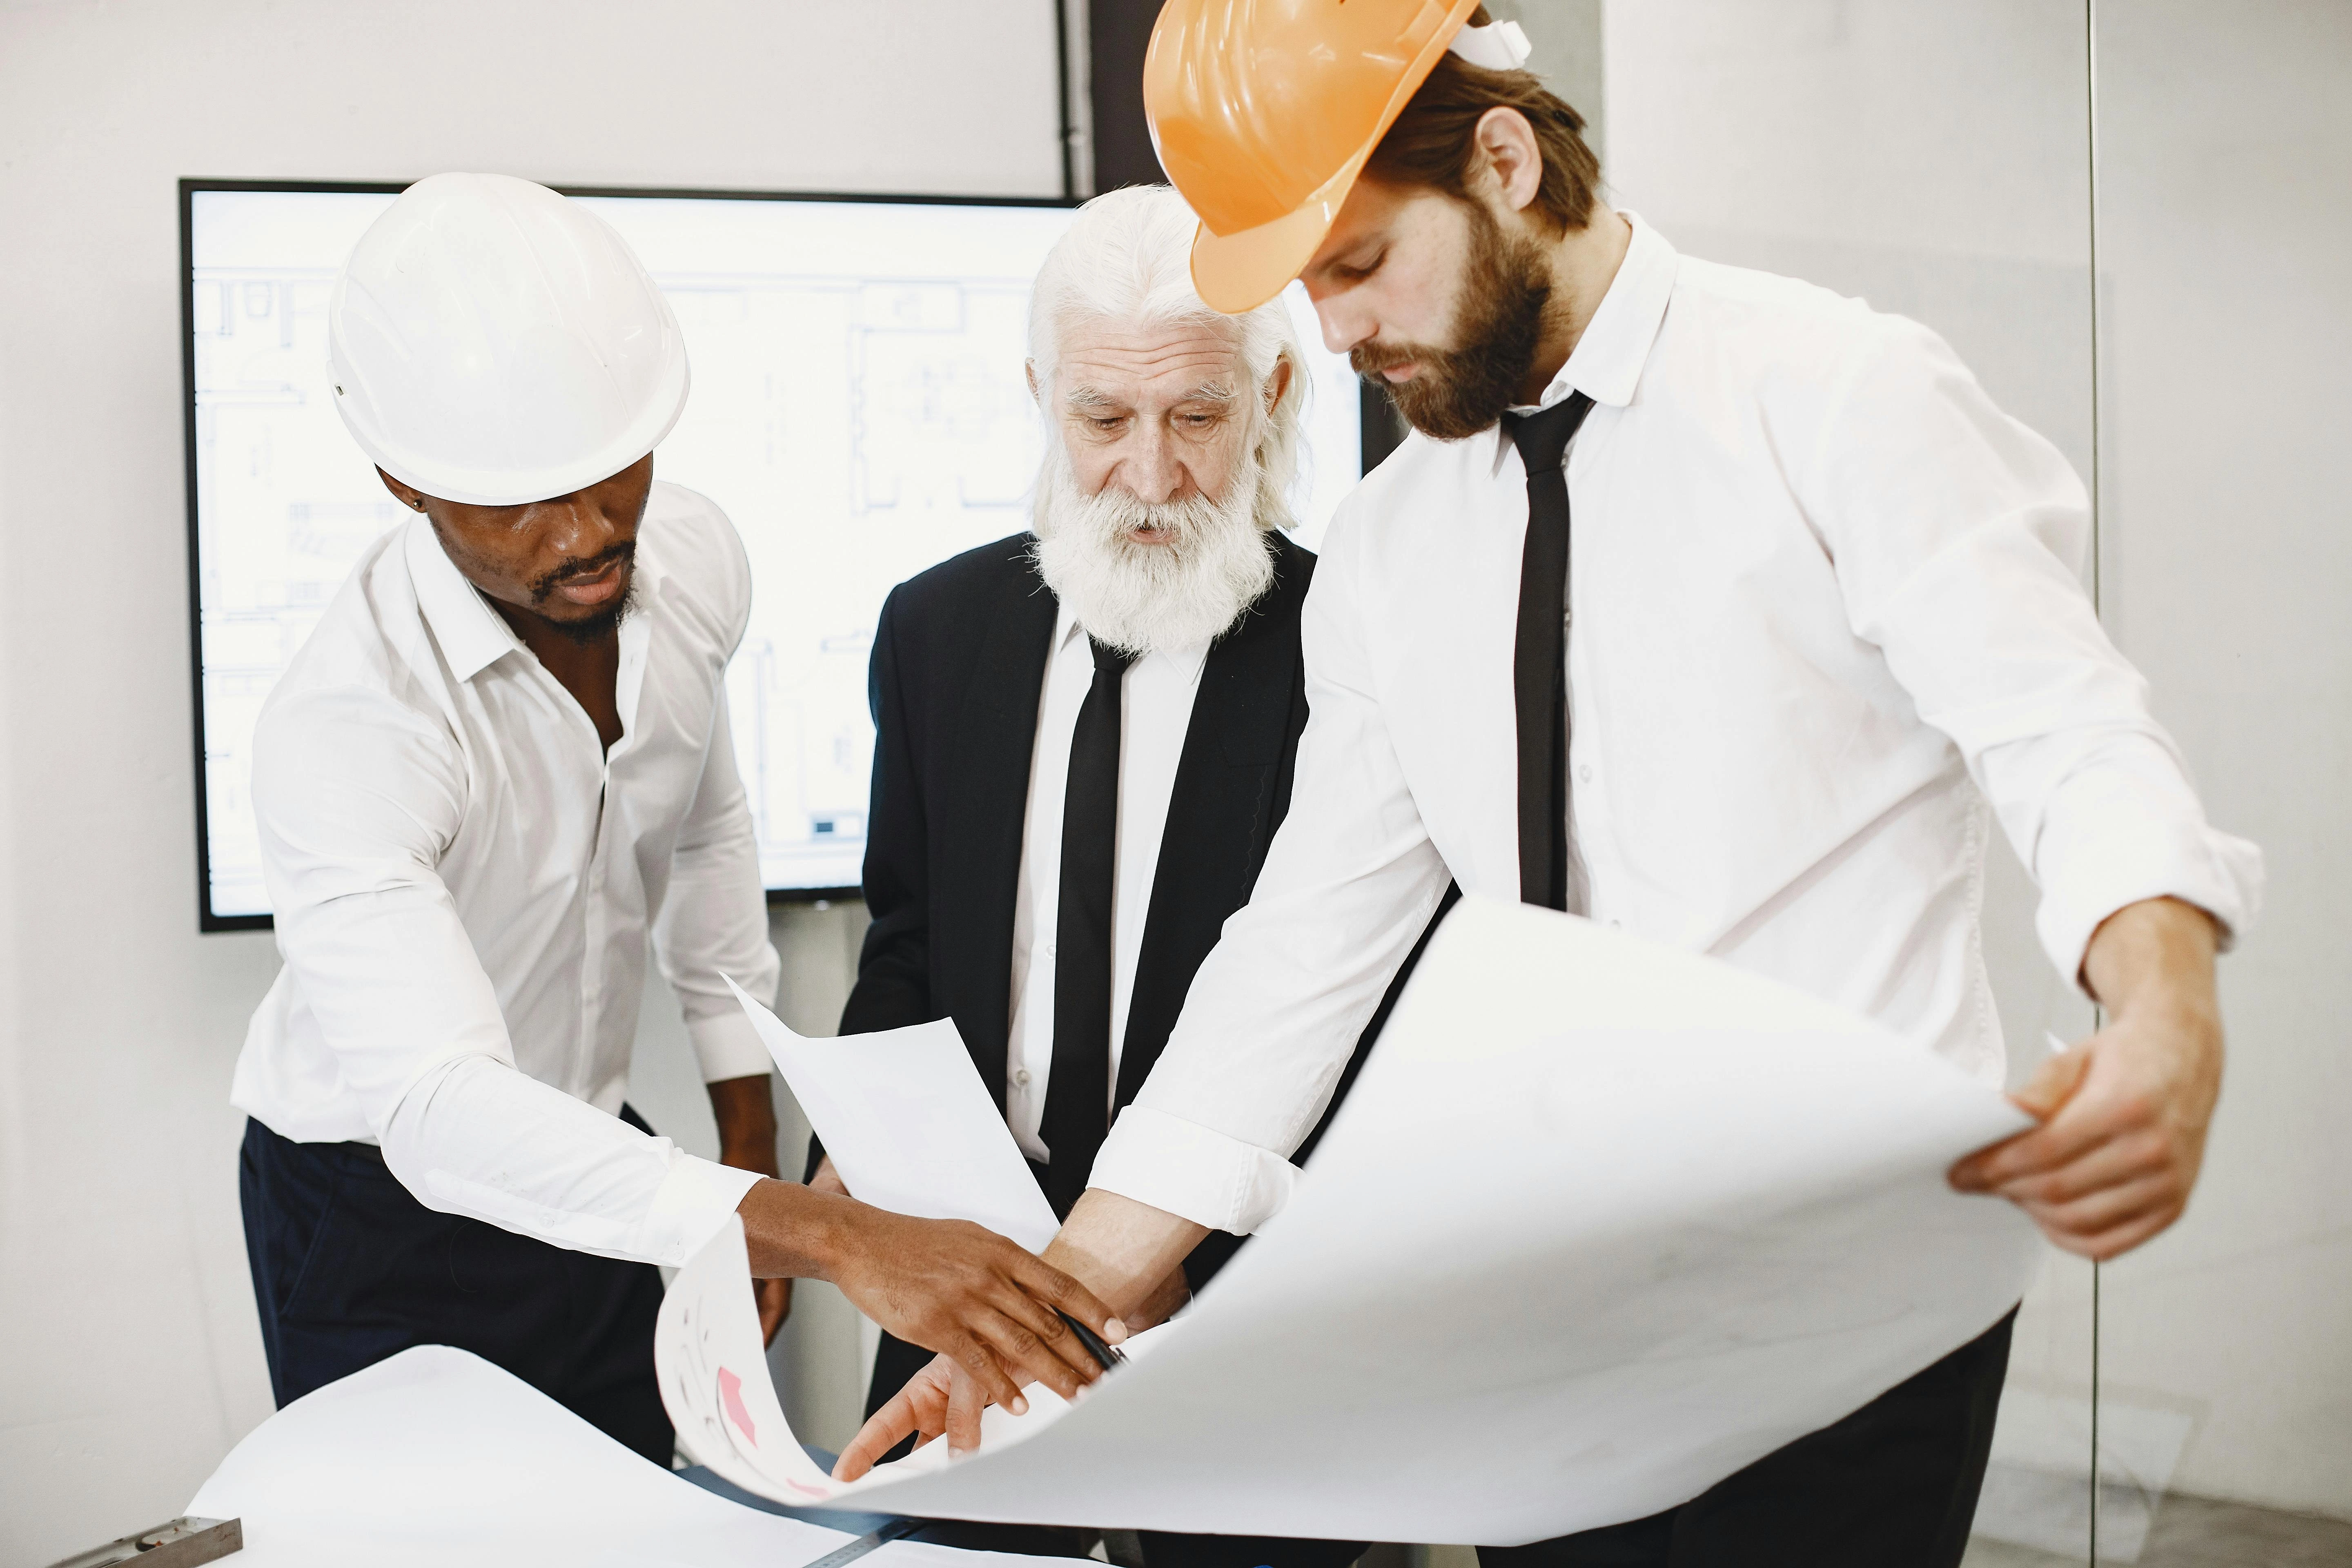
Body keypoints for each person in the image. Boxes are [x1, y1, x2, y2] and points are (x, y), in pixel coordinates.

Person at [847, 5, 2265, 1563]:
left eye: (1359, 263)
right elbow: (1307, 948)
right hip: (1560, 1317)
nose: (1332, 336)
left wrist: (2166, 1005)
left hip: (1845, 1292)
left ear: (1506, 162)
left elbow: (2063, 729)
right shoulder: (1393, 548)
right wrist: (1053, 1307)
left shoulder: (1832, 393)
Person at [233, 173, 1120, 1467]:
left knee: (642, 1509)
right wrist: (831, 1234)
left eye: (613, 471)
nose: (592, 530)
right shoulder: (352, 727)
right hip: (378, 1202)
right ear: (403, 481)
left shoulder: (692, 558)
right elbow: (440, 1107)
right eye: (525, 498)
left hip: (597, 1147)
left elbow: (700, 819)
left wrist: (742, 1126)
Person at [819, 185, 1391, 1568]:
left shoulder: (1355, 645)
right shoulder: (936, 631)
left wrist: (1178, 1242)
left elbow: (1373, 1015)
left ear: (1274, 391)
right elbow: (906, 945)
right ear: (1040, 394)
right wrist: (857, 1160)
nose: (1147, 474)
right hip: (971, 1278)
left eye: (1197, 418)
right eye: (1102, 419)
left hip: (1248, 1310)